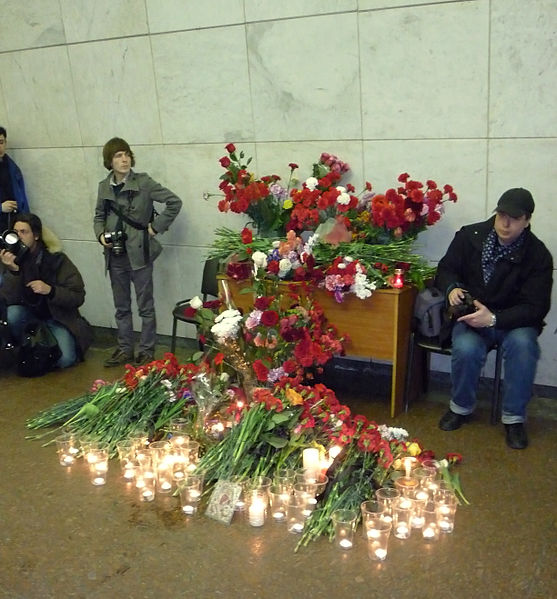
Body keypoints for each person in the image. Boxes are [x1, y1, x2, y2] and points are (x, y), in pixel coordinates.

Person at [435, 188, 553, 449]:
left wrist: (494, 319)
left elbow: (536, 307)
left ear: (527, 220)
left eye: (514, 218)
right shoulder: (469, 237)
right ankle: (460, 407)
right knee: (466, 348)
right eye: (501, 215)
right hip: (471, 317)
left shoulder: (538, 255)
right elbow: (445, 269)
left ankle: (513, 419)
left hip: (514, 322)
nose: (505, 223)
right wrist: (452, 287)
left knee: (524, 348)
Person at [93, 137, 182, 367]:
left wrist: (155, 227)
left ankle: (146, 350)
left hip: (139, 253)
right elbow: (99, 216)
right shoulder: (104, 186)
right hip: (114, 255)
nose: (124, 160)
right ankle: (124, 349)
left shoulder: (144, 182)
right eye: (117, 156)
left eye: (126, 154)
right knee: (121, 307)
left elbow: (174, 202)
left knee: (145, 306)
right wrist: (101, 235)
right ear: (109, 161)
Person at [0, 213, 92, 369]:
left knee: (66, 360)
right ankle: (28, 350)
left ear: (36, 235)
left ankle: (43, 352)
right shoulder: (10, 258)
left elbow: (78, 295)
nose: (19, 236)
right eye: (16, 232)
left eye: (24, 232)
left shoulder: (56, 259)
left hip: (56, 317)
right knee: (13, 314)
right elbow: (6, 298)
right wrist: (14, 272)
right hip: (28, 315)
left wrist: (51, 290)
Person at [0, 126, 30, 234]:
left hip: (14, 221)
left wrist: (26, 219)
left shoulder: (12, 168)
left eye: (1, 142)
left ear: (5, 143)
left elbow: (23, 198)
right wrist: (1, 207)